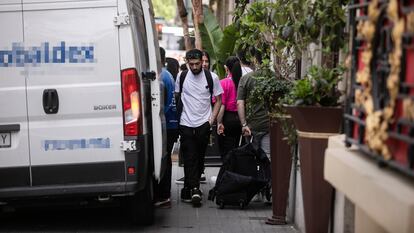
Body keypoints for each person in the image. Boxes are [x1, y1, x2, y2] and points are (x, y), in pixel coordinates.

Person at [175, 49, 223, 206]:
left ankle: (189, 187)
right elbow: (177, 98)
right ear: (187, 62)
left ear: (202, 62)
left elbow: (219, 100)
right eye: (192, 64)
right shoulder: (181, 77)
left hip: (204, 123)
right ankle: (195, 189)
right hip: (185, 123)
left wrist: (211, 120)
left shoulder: (212, 77)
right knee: (189, 157)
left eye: (197, 64)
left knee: (200, 156)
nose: (195, 67)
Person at [154, 47, 179, 208]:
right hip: (170, 124)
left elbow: (161, 106)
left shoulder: (161, 76)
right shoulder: (167, 74)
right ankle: (164, 194)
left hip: (166, 125)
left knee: (164, 159)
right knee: (165, 159)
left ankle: (163, 195)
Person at [237, 49, 270, 160]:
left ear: (254, 60)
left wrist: (244, 124)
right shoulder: (274, 78)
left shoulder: (246, 78)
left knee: (252, 157)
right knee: (267, 156)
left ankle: (254, 177)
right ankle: (266, 177)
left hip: (251, 125)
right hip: (268, 124)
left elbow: (240, 103)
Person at [217, 56, 243, 158]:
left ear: (226, 68)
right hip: (240, 119)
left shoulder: (224, 83)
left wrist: (219, 122)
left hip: (227, 119)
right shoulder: (242, 82)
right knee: (236, 148)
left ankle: (228, 172)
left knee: (226, 151)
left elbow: (222, 105)